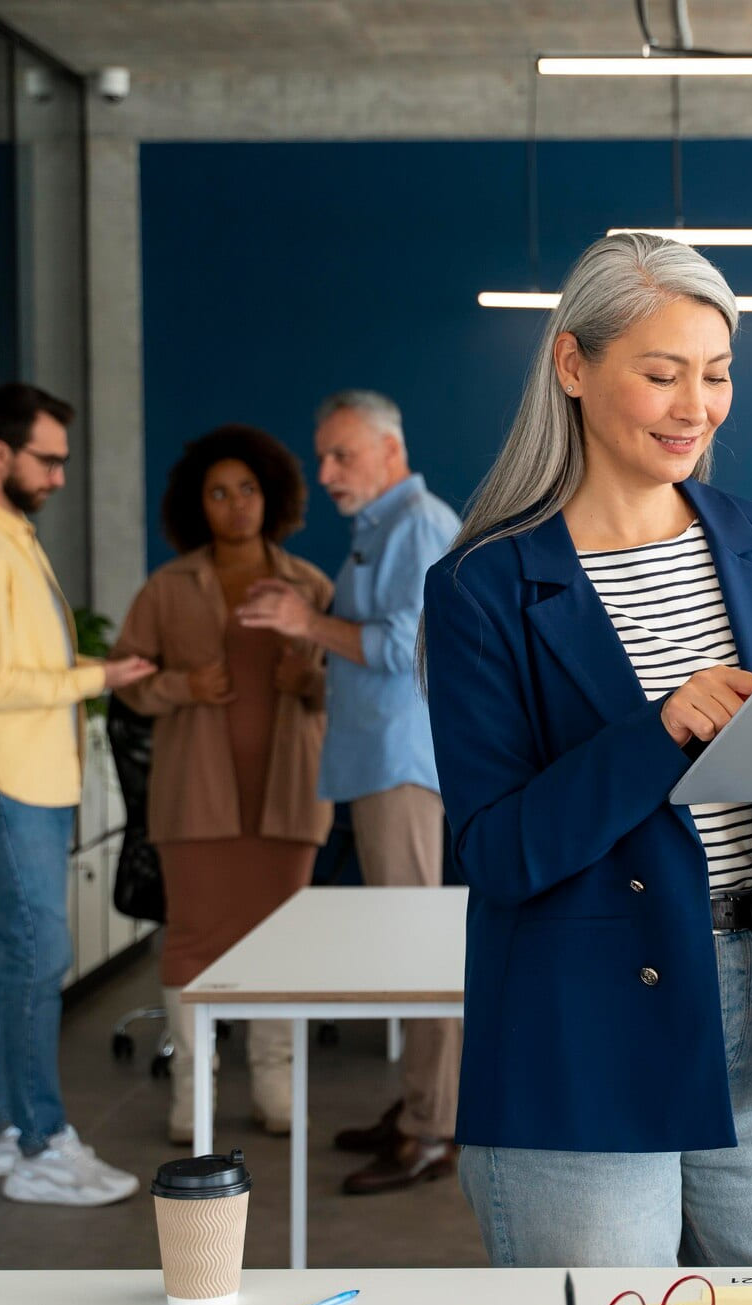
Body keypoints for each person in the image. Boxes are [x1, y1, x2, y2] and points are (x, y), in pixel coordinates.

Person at [421, 231, 752, 1267]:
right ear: (572, 366)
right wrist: (658, 729)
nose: (696, 405)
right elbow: (497, 851)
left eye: (716, 373)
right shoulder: (482, 585)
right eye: (661, 373)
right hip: (581, 1038)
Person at [0, 382, 156, 1206]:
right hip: (5, 779)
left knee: (16, 954)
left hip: (31, 779)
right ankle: (40, 1143)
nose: (59, 474)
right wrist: (102, 675)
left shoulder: (8, 536)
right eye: (47, 459)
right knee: (36, 954)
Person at [236, 389, 463, 1195]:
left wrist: (305, 623)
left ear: (390, 452)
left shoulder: (419, 523)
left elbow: (408, 645)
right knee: (406, 948)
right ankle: (417, 1110)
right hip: (373, 760)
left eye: (343, 454)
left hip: (402, 764)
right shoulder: (379, 529)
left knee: (422, 951)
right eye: (322, 456)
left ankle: (436, 1128)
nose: (326, 471)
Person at [111, 424, 334, 1145]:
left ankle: (274, 1082)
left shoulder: (310, 585)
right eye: (218, 493)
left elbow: (358, 685)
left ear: (271, 497)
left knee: (284, 941)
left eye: (248, 490)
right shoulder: (167, 586)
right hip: (194, 795)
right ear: (194, 505)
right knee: (193, 938)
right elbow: (128, 678)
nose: (236, 505)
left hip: (289, 792)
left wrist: (310, 680)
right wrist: (181, 684)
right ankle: (193, 1090)